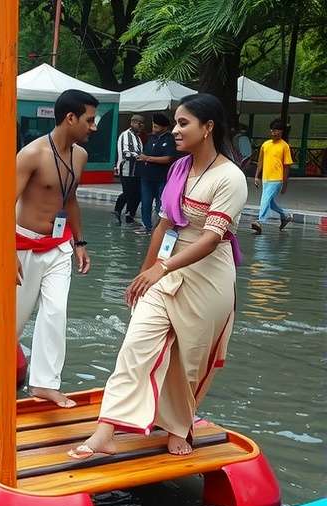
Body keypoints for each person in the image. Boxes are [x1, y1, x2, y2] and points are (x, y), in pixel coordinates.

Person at [69, 93, 247, 459]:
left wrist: (161, 267)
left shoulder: (230, 177)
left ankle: (178, 426)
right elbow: (164, 225)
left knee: (190, 359)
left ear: (208, 127)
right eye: (176, 122)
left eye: (184, 124)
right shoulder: (179, 169)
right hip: (166, 272)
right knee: (136, 345)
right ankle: (106, 430)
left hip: (209, 276)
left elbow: (213, 238)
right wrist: (145, 273)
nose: (174, 131)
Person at [0, 90, 95, 407]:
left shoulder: (80, 156)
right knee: (13, 315)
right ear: (70, 118)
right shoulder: (31, 154)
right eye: (90, 119)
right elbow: (3, 206)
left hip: (58, 246)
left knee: (56, 313)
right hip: (23, 243)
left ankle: (44, 383)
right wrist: (7, 251)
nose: (93, 127)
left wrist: (79, 241)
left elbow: (69, 199)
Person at [250, 119, 294, 234]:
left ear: (282, 132)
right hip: (265, 178)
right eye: (274, 131)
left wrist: (285, 184)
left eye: (278, 131)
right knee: (269, 202)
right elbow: (260, 162)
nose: (275, 133)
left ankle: (260, 221)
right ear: (271, 131)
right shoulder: (265, 145)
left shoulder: (285, 146)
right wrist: (256, 176)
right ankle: (285, 216)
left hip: (277, 179)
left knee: (265, 198)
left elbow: (287, 166)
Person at [135, 113, 176, 234]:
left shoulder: (169, 139)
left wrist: (147, 158)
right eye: (153, 126)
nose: (154, 129)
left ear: (164, 127)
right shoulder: (151, 137)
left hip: (162, 178)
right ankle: (146, 226)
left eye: (156, 127)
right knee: (146, 203)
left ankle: (158, 229)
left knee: (160, 205)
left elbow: (168, 158)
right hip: (147, 177)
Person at [112, 114, 144, 225]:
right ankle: (117, 211)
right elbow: (127, 152)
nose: (141, 126)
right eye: (139, 123)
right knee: (128, 193)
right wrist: (143, 158)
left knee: (138, 194)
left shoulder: (138, 138)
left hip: (137, 170)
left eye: (142, 124)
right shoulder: (125, 135)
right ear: (132, 123)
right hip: (126, 169)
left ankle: (130, 214)